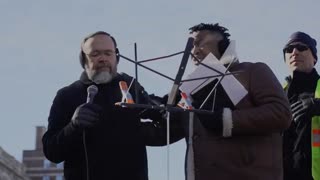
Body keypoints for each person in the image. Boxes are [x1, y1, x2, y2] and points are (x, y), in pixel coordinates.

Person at [42, 31, 175, 180]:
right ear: (83, 60)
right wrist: (73, 127)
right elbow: (51, 151)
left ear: (116, 57)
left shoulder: (129, 86)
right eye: (95, 54)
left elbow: (162, 126)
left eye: (108, 53)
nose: (103, 59)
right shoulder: (67, 95)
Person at [166, 23, 292, 180]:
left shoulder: (252, 71)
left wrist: (226, 119)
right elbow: (165, 132)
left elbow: (280, 113)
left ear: (223, 45)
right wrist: (135, 108)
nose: (194, 51)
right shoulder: (190, 90)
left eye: (200, 43)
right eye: (191, 46)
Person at [282, 31, 320, 180]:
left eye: (301, 47)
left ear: (315, 58)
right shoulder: (277, 93)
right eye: (289, 50)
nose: (294, 52)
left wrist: (317, 105)